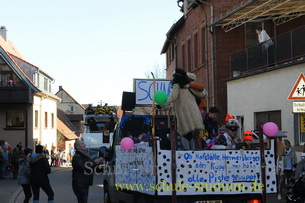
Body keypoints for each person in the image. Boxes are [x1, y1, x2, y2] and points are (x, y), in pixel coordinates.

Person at [163, 68, 206, 150]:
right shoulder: (190, 86)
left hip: (183, 113)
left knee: (185, 134)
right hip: (194, 112)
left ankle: (187, 153)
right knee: (193, 135)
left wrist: (163, 103)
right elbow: (203, 93)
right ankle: (194, 153)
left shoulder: (177, 85)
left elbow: (173, 97)